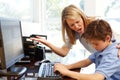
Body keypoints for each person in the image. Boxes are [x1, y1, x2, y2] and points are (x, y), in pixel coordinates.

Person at [31, 4, 119, 57]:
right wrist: (48, 43)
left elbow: (117, 40)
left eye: (77, 21)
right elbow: (63, 52)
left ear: (82, 16)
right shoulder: (75, 33)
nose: (76, 27)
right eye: (72, 25)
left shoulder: (98, 26)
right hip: (101, 62)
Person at [54, 19, 120, 80]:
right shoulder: (103, 48)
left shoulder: (112, 56)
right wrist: (67, 67)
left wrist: (67, 72)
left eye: (96, 44)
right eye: (92, 44)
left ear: (108, 38)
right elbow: (86, 61)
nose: (94, 47)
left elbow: (96, 78)